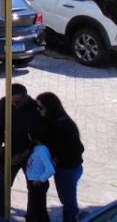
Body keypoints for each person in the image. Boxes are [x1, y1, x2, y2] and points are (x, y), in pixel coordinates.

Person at [37, 92, 84, 222]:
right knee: (67, 201)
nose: (38, 110)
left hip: (67, 169)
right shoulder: (54, 121)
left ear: (50, 107)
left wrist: (55, 160)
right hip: (69, 168)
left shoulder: (63, 126)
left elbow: (77, 149)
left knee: (68, 203)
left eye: (41, 107)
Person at [0, 84, 45, 189]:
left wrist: (25, 154)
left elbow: (39, 137)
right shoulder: (4, 103)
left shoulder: (36, 109)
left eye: (18, 102)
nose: (15, 105)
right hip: (10, 151)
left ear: (26, 97)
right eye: (12, 102)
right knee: (2, 186)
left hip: (30, 153)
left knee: (35, 187)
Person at [24, 123, 55, 222]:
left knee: (40, 212)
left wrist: (39, 180)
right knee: (37, 211)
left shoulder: (41, 150)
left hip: (37, 185)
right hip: (34, 184)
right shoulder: (38, 148)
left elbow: (50, 170)